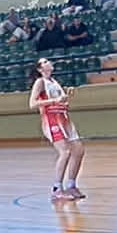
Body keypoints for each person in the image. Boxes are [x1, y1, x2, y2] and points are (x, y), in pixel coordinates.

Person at [30, 57, 86, 202]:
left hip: (64, 119)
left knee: (79, 150)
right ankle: (57, 189)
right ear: (40, 69)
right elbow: (32, 103)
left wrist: (65, 98)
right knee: (65, 152)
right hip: (51, 120)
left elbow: (60, 101)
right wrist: (55, 100)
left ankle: (71, 185)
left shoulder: (54, 82)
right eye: (44, 62)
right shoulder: (40, 82)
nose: (48, 62)